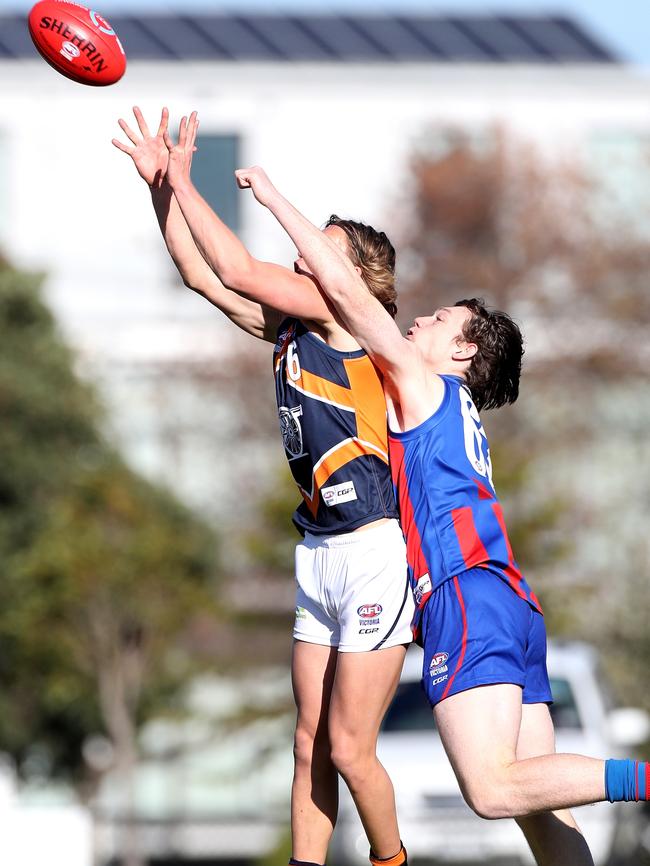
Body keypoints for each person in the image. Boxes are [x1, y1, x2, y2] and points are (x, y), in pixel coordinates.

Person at [234, 164, 650, 866]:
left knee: (490, 790)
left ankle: (640, 779)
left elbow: (343, 291)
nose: (419, 319)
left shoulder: (424, 383)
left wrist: (275, 199)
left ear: (462, 352)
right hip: (513, 599)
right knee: (544, 816)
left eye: (439, 321)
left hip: (465, 594)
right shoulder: (453, 410)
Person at [112, 107, 413, 866]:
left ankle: (391, 858)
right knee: (307, 738)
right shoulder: (290, 328)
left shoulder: (353, 317)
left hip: (374, 549)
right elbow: (201, 274)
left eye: (324, 250)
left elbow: (242, 265)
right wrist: (161, 191)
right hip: (317, 551)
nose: (306, 257)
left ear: (356, 276)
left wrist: (189, 179)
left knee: (348, 748)